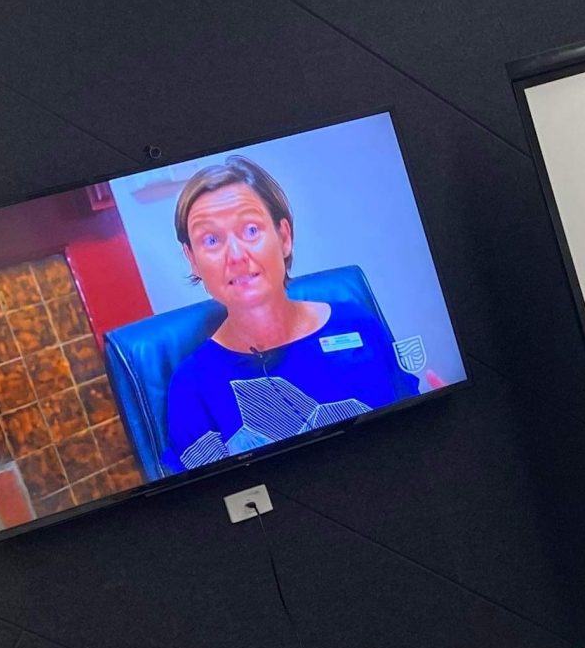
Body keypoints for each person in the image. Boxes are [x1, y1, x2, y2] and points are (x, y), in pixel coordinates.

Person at [161, 157, 423, 472]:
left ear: (284, 237)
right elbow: (208, 493)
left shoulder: (356, 323)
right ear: (192, 259)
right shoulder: (191, 386)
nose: (236, 256)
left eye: (251, 230)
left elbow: (412, 428)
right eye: (211, 240)